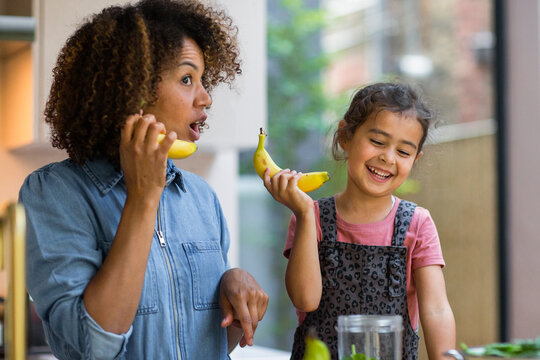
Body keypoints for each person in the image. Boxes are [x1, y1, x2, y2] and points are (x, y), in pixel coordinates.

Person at [18, 0, 269, 359]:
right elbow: (95, 346)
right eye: (187, 79)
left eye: (203, 80)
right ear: (130, 90)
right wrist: (142, 197)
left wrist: (233, 291)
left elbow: (209, 345)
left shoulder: (201, 197)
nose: (206, 98)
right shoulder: (52, 194)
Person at [263, 82, 456, 360]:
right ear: (345, 136)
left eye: (403, 152)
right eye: (377, 142)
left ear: (415, 158)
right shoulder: (310, 217)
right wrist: (304, 214)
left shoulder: (417, 223)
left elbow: (436, 309)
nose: (387, 157)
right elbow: (306, 300)